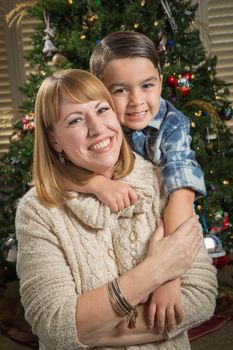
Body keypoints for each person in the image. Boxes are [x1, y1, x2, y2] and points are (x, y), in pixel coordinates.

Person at [15, 69, 217, 350]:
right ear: (54, 140)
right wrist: (158, 269)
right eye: (75, 120)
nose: (97, 129)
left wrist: (93, 333)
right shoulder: (38, 210)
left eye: (101, 110)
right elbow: (55, 326)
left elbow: (201, 298)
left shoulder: (162, 181)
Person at [88, 30, 207, 331]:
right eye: (120, 90)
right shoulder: (95, 123)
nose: (137, 101)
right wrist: (96, 184)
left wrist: (169, 273)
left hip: (162, 217)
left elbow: (182, 191)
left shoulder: (172, 124)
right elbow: (56, 168)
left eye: (147, 85)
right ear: (99, 91)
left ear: (159, 77)